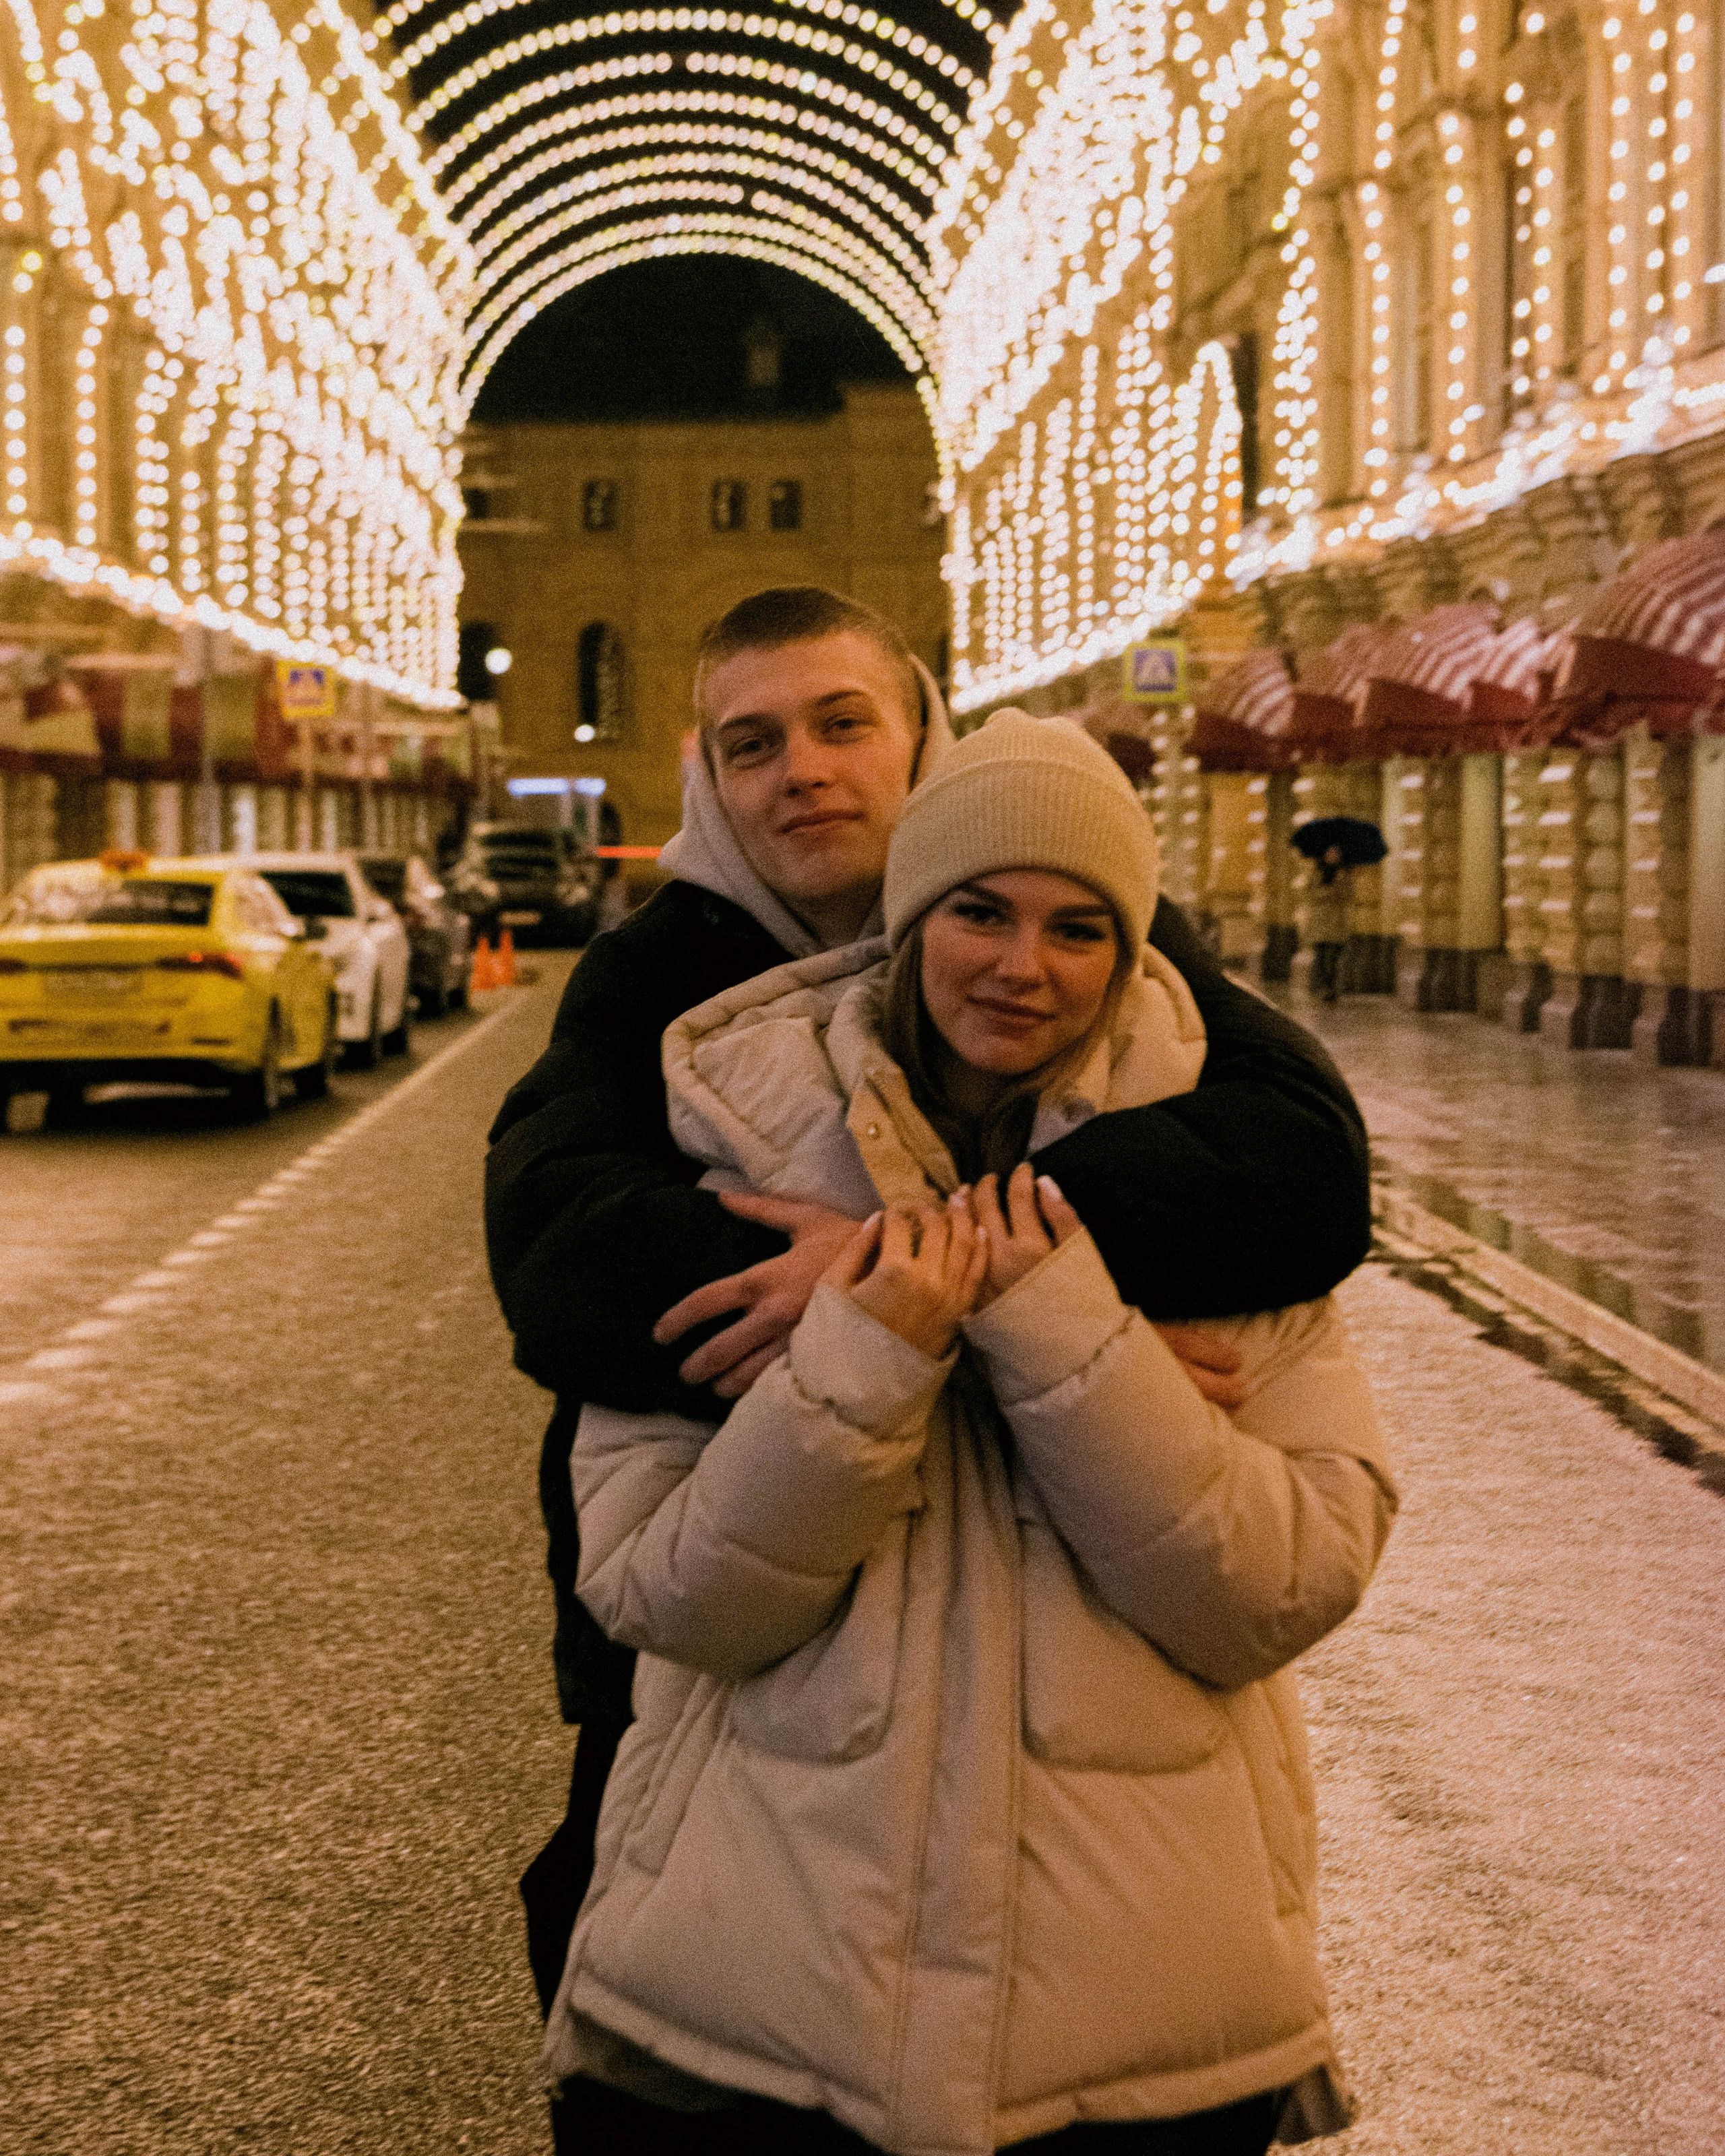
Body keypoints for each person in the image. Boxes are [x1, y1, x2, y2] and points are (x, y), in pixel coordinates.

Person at [484, 588, 1374, 2058]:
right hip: (740, 1606)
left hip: (1055, 1610)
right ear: (707, 774)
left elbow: (1301, 1171)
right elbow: (560, 1262)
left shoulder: (1080, 912)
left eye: (843, 725)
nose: (802, 772)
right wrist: (944, 1303)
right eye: (750, 742)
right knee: (671, 1966)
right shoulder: (654, 981)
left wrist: (925, 1264)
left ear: (920, 740)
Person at [1305, 847, 1352, 1006]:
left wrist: (1340, 883)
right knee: (1321, 956)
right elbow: (1310, 894)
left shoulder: (1343, 874)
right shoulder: (1317, 873)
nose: (1333, 856)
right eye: (1330, 852)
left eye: (1336, 853)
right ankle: (1323, 987)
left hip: (1336, 922)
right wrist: (1327, 892)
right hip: (1320, 922)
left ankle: (1331, 987)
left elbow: (1348, 896)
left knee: (1333, 958)